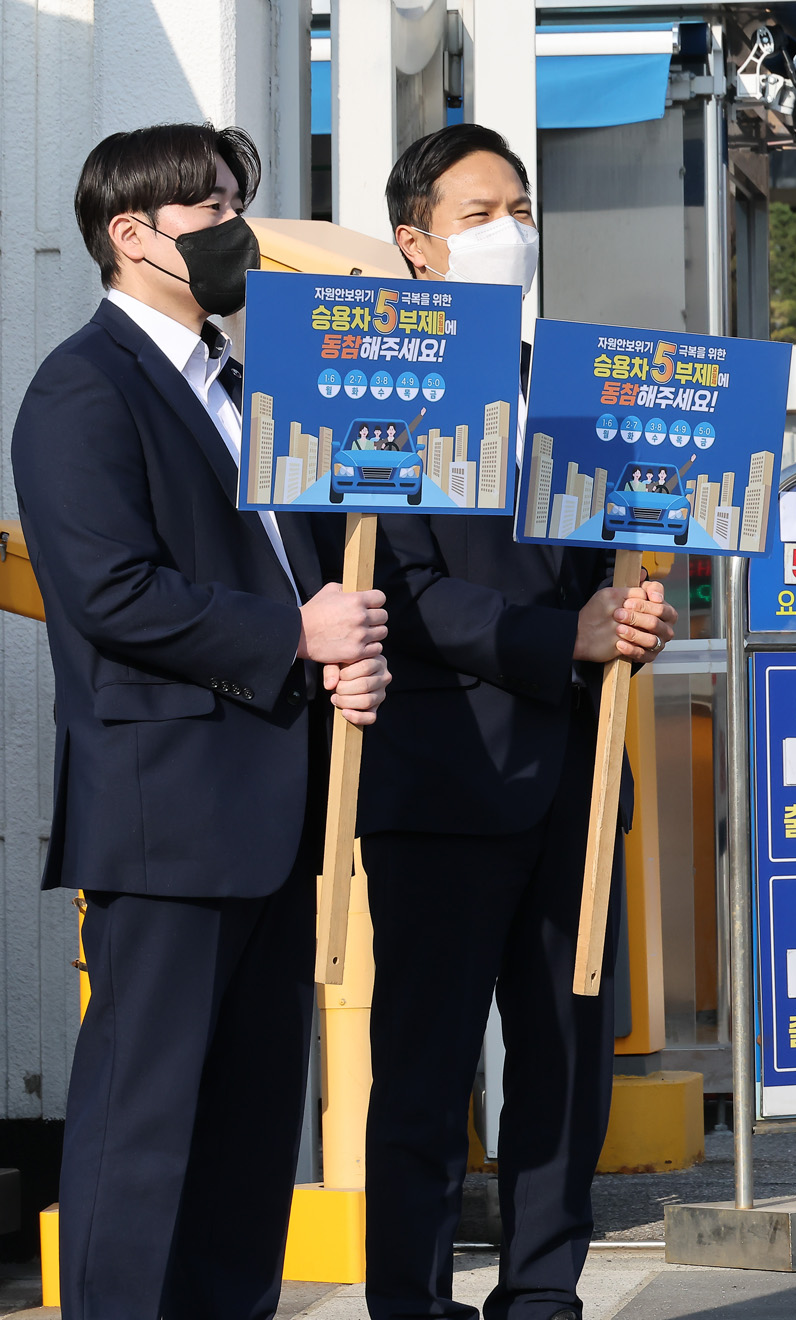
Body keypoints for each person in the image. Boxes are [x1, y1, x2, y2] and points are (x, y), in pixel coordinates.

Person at [11, 123, 391, 1319]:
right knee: (145, 1125)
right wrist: (293, 638)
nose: (239, 229)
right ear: (132, 236)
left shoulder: (247, 383)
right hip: (168, 816)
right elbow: (111, 591)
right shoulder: (83, 388)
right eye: (214, 208)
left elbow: (310, 574)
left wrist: (344, 652)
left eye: (240, 201)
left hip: (275, 809)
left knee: (245, 1131)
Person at [357, 122, 672, 1320]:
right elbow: (400, 591)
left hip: (581, 786)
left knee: (566, 1067)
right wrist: (564, 639)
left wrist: (636, 614)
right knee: (427, 1079)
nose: (511, 232)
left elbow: (619, 567)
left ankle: (542, 1296)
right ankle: (413, 1304)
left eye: (521, 208)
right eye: (480, 214)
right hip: (439, 783)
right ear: (417, 245)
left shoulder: (582, 387)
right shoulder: (380, 390)